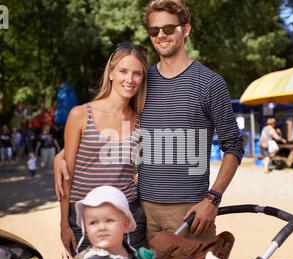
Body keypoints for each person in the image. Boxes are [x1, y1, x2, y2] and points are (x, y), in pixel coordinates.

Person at [54, 0, 244, 244]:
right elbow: (110, 123)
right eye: (154, 30)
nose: (161, 35)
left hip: (189, 211)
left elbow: (234, 146)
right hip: (142, 209)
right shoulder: (142, 82)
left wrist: (213, 199)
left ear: (185, 30)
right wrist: (62, 155)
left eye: (168, 28)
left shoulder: (210, 83)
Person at [59, 43, 148, 259]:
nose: (130, 79)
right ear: (110, 73)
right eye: (123, 71)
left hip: (128, 218)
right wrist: (63, 225)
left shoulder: (141, 120)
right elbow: (66, 175)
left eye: (137, 73)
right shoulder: (80, 114)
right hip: (86, 220)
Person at [75, 185, 223, 259]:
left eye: (109, 221)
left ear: (126, 224)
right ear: (85, 228)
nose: (101, 227)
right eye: (93, 222)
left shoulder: (124, 250)